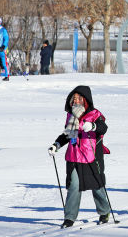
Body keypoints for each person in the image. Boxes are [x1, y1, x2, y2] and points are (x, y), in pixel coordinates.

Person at [48, 85, 112, 228]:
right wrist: (56, 144)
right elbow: (66, 135)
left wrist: (93, 126)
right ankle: (69, 218)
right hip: (74, 156)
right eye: (73, 98)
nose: (75, 100)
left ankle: (104, 212)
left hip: (91, 156)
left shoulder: (94, 114)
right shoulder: (71, 116)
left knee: (97, 185)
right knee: (73, 186)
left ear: (85, 100)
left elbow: (104, 128)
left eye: (78, 98)